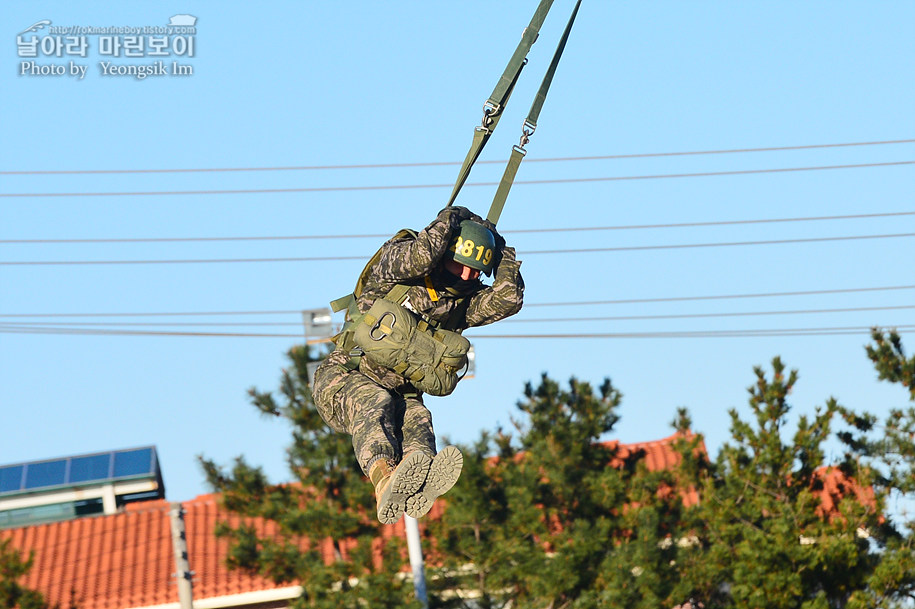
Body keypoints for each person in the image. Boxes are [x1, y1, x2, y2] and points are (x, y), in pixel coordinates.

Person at [313, 205, 524, 524]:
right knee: (376, 400)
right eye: (461, 265)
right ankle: (384, 480)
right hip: (344, 378)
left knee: (418, 418)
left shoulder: (460, 305)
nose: (468, 276)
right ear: (445, 251)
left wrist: (500, 248)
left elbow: (509, 298)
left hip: (403, 394)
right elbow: (423, 256)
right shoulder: (396, 269)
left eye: (477, 270)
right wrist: (451, 217)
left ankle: (417, 476)